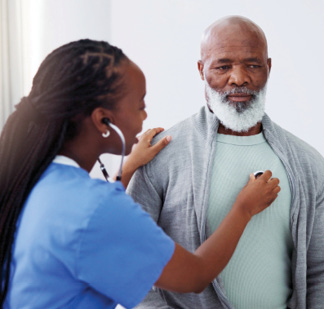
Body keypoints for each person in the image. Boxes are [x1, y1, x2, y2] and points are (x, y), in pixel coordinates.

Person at [0, 39, 280, 309]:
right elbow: (195, 275)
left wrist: (129, 167)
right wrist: (244, 208)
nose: (145, 117)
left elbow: (87, 224)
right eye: (140, 106)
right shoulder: (96, 210)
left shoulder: (33, 181)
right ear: (103, 121)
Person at [127, 16, 324, 309]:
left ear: (268, 68)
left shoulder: (307, 163)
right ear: (201, 69)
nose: (239, 78)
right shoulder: (162, 155)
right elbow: (131, 259)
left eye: (253, 65)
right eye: (223, 66)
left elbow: (319, 269)